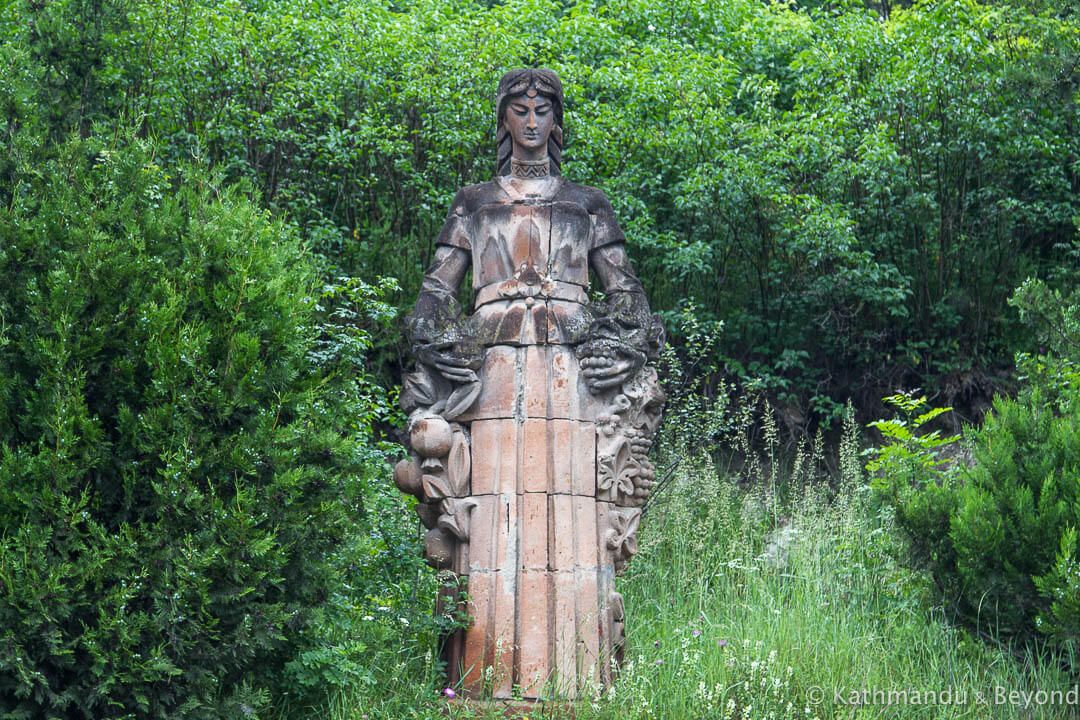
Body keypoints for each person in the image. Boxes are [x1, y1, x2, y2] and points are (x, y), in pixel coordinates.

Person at [400, 68, 663, 700]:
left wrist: (625, 350)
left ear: (557, 121)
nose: (531, 119)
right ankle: (480, 681)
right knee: (493, 524)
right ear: (504, 120)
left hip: (569, 380)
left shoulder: (587, 204)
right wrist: (433, 344)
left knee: (571, 517)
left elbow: (631, 302)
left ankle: (578, 680)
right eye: (519, 108)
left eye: (543, 108)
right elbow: (433, 298)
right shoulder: (473, 203)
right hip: (493, 379)